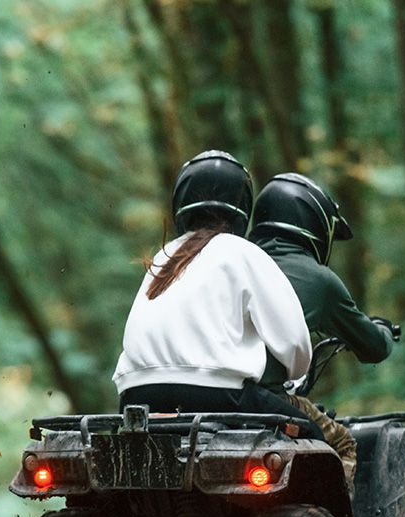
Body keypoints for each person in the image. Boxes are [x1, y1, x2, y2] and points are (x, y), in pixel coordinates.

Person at [112, 151, 322, 438]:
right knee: (314, 437)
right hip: (217, 395)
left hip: (136, 398)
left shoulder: (165, 258)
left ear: (181, 204)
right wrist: (291, 373)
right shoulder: (242, 251)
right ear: (243, 205)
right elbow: (295, 345)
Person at [249, 172, 396, 485]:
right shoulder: (319, 279)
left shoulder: (234, 261)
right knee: (343, 444)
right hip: (264, 398)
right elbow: (373, 347)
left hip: (211, 399)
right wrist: (382, 329)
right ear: (314, 225)